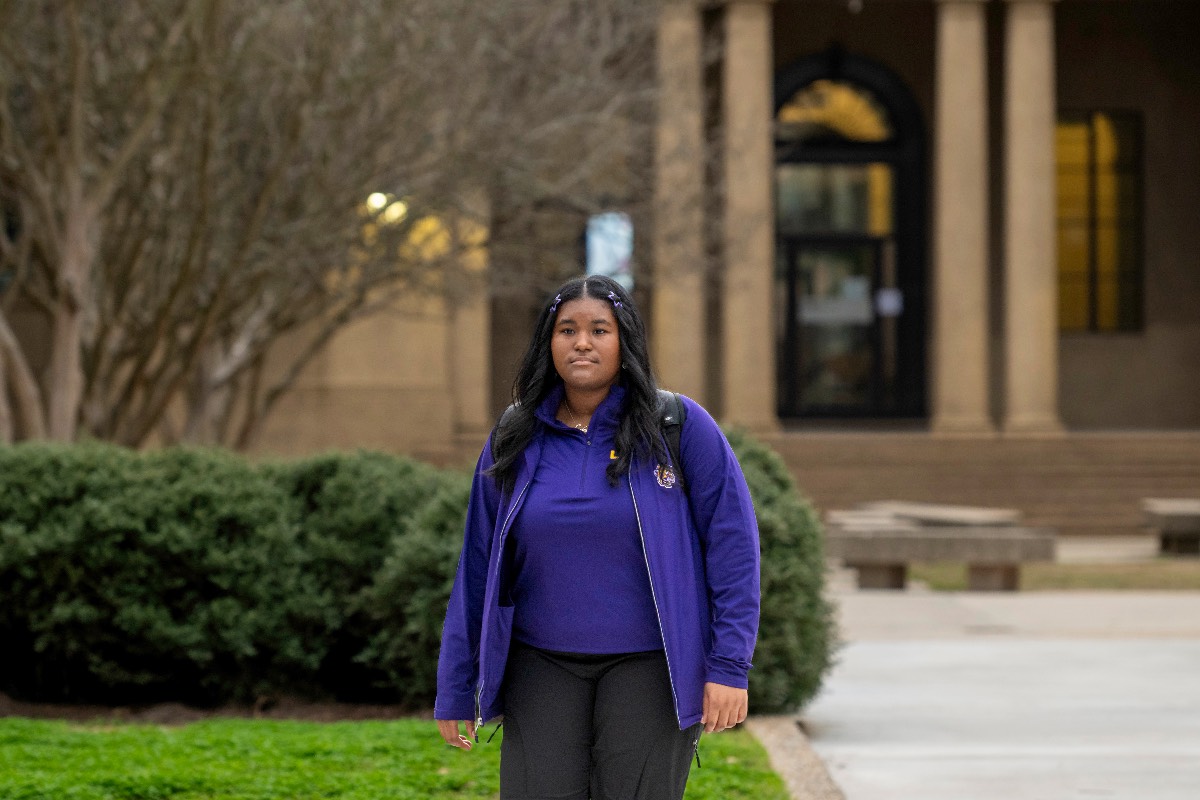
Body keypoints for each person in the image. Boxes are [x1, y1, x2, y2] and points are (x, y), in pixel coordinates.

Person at [434, 274, 760, 800]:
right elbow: (477, 565)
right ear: (549, 342)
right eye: (567, 329)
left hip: (651, 668)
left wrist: (729, 666)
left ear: (624, 341)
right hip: (539, 668)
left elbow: (734, 550)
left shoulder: (678, 426)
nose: (582, 342)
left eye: (599, 330)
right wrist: (455, 686)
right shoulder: (514, 435)